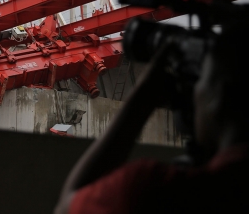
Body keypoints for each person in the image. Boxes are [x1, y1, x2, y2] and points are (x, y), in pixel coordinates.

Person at [54, 22, 249, 214]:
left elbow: (67, 207)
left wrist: (141, 100)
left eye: (202, 82)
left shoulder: (155, 188)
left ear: (220, 96)